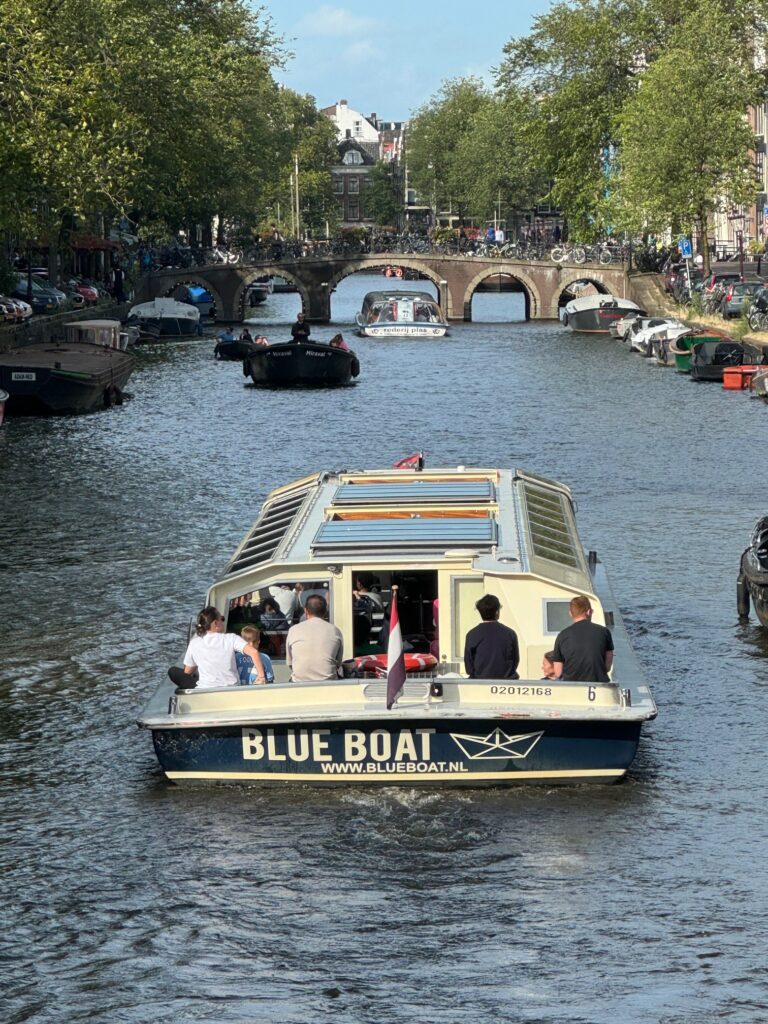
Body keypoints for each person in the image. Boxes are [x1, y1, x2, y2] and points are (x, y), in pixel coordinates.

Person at [168, 606, 266, 690]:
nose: (223, 621)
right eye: (222, 619)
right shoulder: (231, 638)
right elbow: (254, 652)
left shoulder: (194, 643)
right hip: (231, 688)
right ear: (215, 623)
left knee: (172, 671)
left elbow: (187, 672)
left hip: (205, 690)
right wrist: (261, 677)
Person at [552, 595, 614, 682]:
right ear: (589, 612)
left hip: (571, 687)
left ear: (570, 613)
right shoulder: (604, 632)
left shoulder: (562, 635)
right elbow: (607, 666)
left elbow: (558, 672)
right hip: (598, 683)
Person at [286, 594, 343, 681]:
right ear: (325, 611)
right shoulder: (335, 630)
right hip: (328, 681)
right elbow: (338, 663)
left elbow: (290, 663)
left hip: (299, 681)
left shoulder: (293, 630)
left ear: (305, 611)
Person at [463, 594, 519, 679]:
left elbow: (469, 668)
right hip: (506, 684)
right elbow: (515, 661)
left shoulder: (472, 635)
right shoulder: (510, 634)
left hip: (478, 684)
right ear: (497, 611)